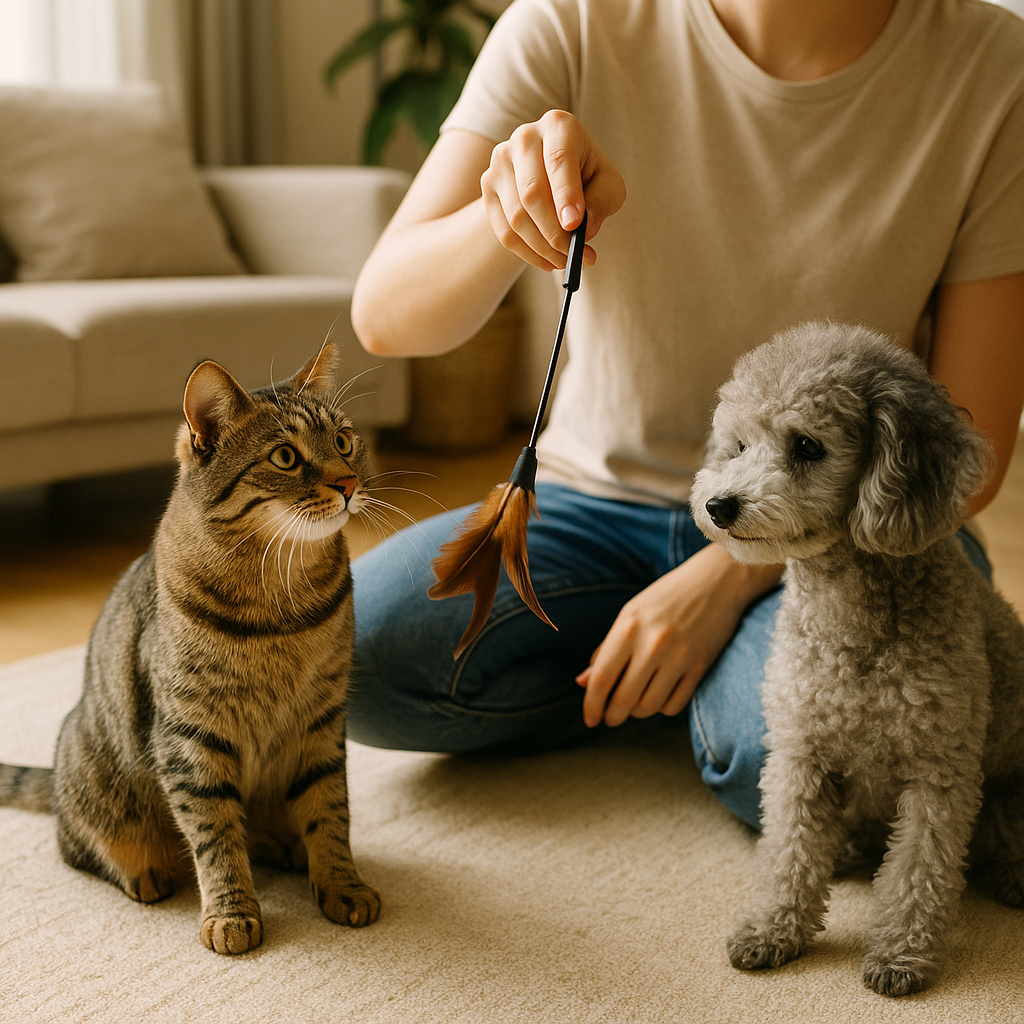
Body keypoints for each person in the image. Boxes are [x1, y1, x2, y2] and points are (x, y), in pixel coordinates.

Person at [346, 0, 1024, 828]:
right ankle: (681, 692)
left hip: (838, 536)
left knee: (809, 770)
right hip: (592, 506)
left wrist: (728, 577)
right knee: (346, 662)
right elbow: (387, 316)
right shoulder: (569, 22)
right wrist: (505, 215)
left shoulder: (996, 65)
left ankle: (691, 693)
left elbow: (971, 447)